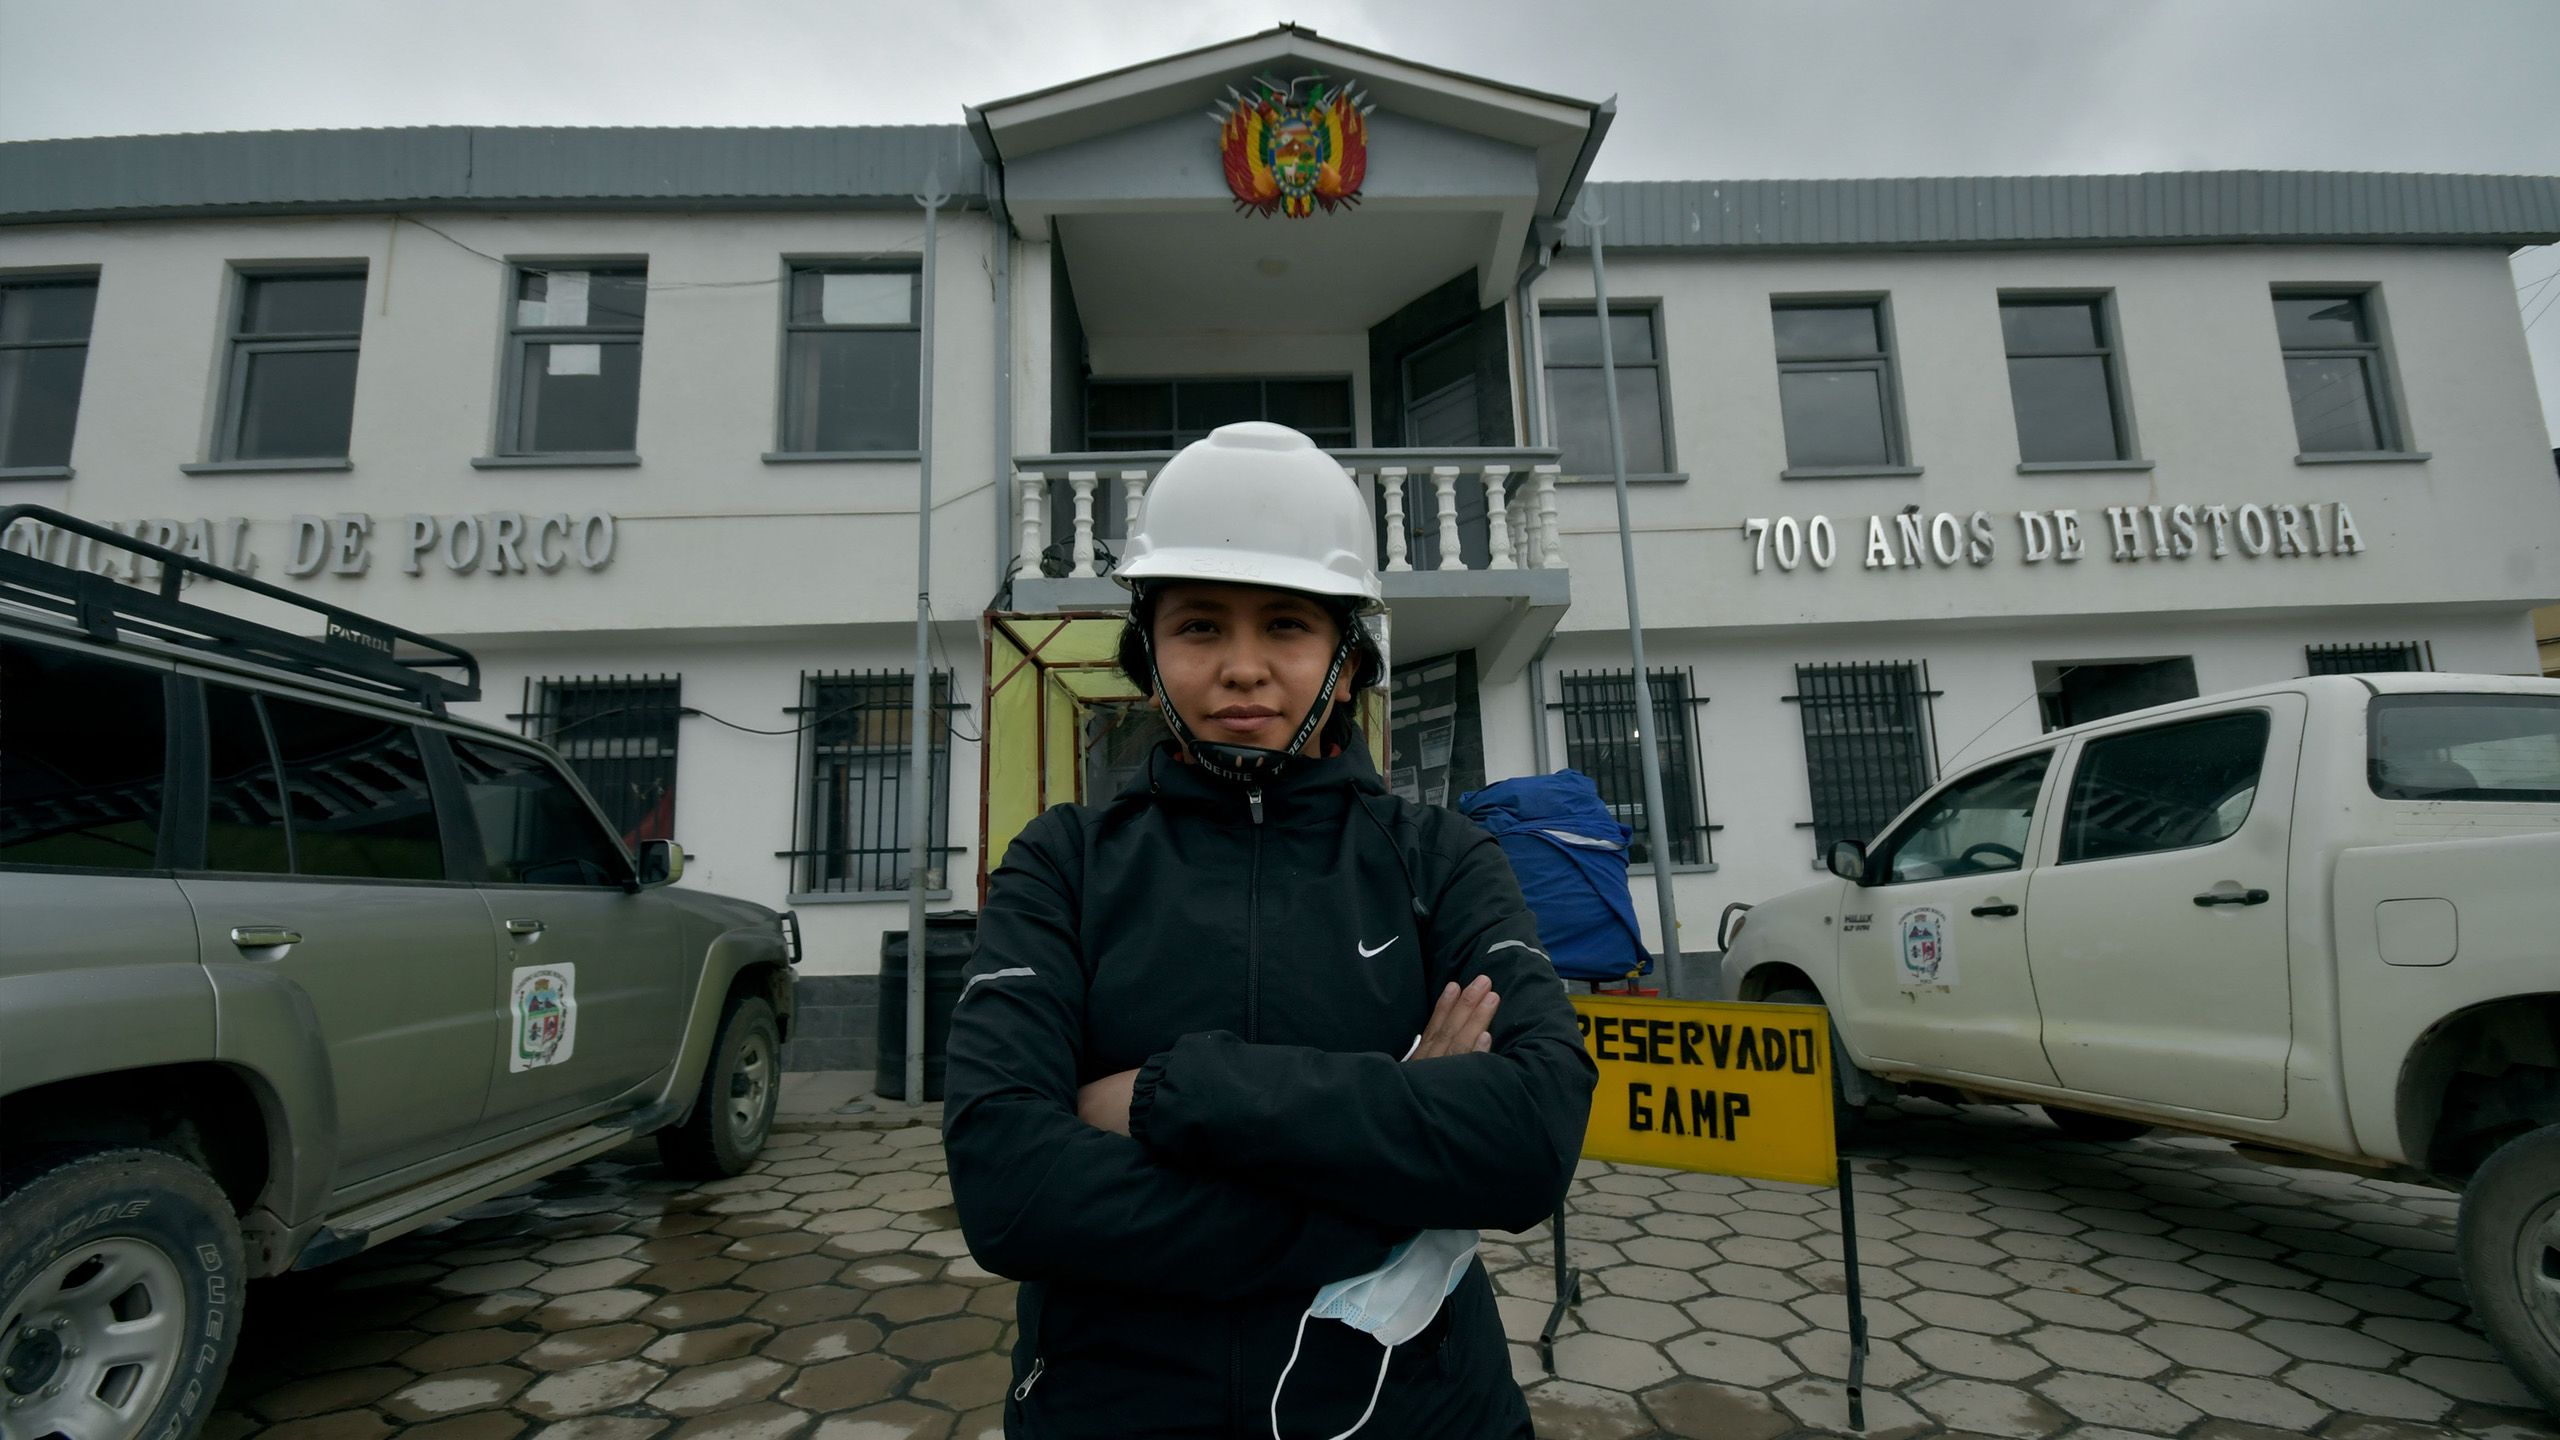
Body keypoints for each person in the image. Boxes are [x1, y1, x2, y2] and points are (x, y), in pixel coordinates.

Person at [943, 421, 1599, 1440]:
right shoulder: (1062, 864)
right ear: (1148, 656)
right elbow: (1009, 1188)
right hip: (1113, 1406)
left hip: (1418, 1412)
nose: (1242, 668)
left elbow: (1529, 1137)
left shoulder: (1439, 860)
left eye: (1286, 627)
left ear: (1345, 664)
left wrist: (1167, 1095)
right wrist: (1384, 1179)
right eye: (1200, 627)